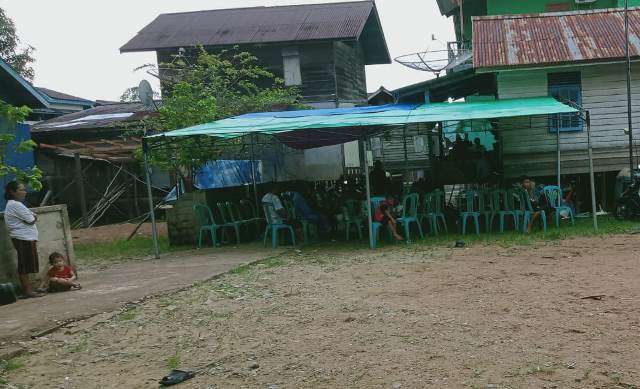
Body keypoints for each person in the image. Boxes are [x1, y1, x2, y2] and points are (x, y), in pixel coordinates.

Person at [4, 181, 42, 298]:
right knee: (24, 265)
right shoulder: (15, 205)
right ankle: (27, 291)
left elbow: (31, 217)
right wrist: (33, 216)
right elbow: (31, 219)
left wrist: (32, 216)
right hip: (22, 238)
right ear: (12, 192)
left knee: (27, 264)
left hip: (25, 237)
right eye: (21, 190)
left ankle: (30, 289)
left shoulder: (16, 204)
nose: (24, 192)